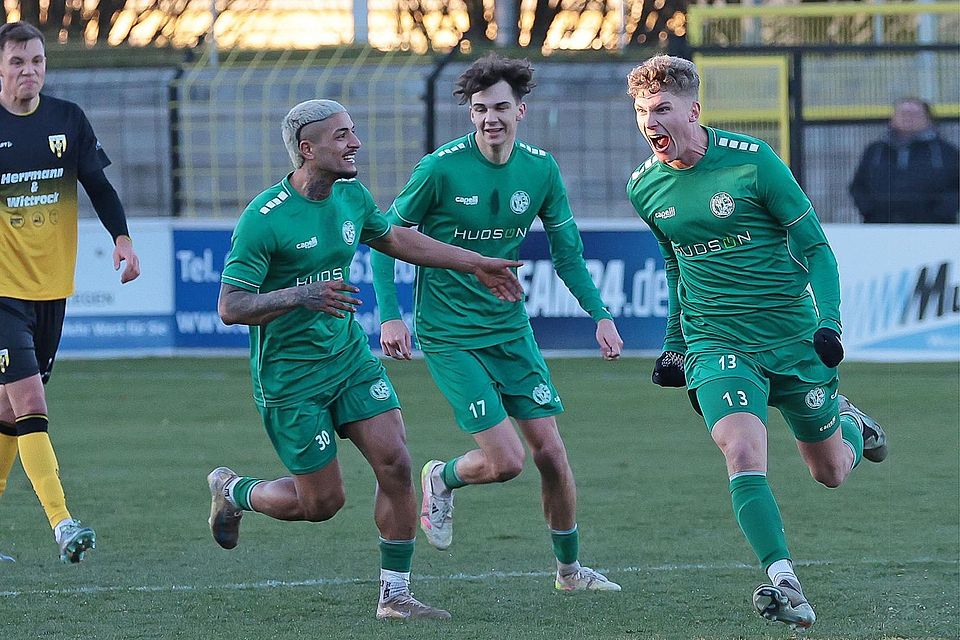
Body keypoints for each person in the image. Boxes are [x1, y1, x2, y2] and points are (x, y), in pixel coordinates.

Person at [210, 98, 525, 621]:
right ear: (307, 150)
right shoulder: (263, 220)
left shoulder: (352, 195)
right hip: (291, 380)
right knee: (321, 504)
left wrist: (475, 264)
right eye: (341, 136)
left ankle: (394, 596)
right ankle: (234, 490)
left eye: (353, 131)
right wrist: (299, 294)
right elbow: (230, 306)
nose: (355, 143)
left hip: (349, 359)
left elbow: (397, 237)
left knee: (397, 463)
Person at [625, 55, 889, 630]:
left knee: (832, 473)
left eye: (663, 109)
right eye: (643, 111)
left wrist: (831, 324)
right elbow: (675, 266)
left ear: (693, 110)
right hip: (716, 342)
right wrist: (674, 342)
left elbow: (817, 248)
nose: (652, 121)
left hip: (791, 338)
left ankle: (849, 424)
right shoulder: (644, 187)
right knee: (743, 453)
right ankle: (783, 580)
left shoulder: (754, 165)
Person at [370, 53, 624, 593]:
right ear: (470, 113)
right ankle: (443, 477)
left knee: (552, 454)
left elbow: (569, 253)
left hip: (510, 331)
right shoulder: (438, 168)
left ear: (521, 111)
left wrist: (599, 314)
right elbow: (383, 240)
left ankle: (570, 572)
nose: (491, 118)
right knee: (506, 462)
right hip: (450, 335)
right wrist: (391, 317)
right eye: (481, 108)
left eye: (501, 108)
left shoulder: (541, 170)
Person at [0, 21, 141, 564]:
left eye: (37, 60)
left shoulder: (67, 120)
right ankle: (63, 524)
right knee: (32, 403)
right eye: (18, 62)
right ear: (1, 67)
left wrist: (123, 239)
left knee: (11, 416)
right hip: (2, 295)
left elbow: (99, 186)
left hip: (50, 292)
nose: (29, 70)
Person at [850, 97, 959, 224]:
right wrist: (871, 212)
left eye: (915, 114)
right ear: (893, 119)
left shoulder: (946, 151)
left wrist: (941, 214)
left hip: (933, 228)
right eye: (903, 113)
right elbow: (858, 186)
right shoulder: (875, 150)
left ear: (928, 119)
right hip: (881, 227)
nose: (908, 118)